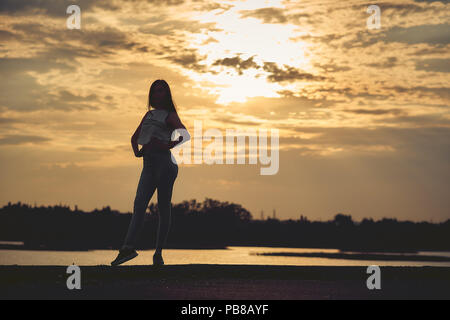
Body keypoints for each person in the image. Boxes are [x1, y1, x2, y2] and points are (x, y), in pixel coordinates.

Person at [111, 79, 190, 267]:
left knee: (163, 209)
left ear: (167, 94)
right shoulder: (148, 115)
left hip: (165, 165)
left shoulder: (169, 115)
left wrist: (167, 145)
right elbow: (134, 138)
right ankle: (128, 248)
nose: (157, 94)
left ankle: (158, 253)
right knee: (139, 205)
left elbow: (185, 135)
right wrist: (137, 152)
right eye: (155, 91)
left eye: (161, 91)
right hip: (148, 165)